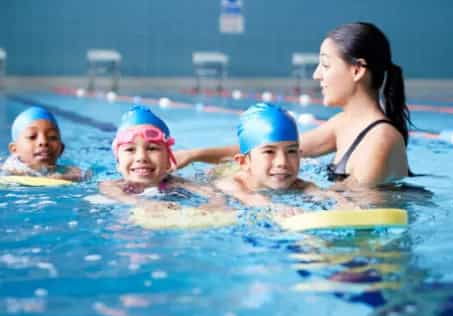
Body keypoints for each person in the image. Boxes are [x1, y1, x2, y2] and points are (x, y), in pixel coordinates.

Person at [174, 22, 411, 188]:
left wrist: (248, 193)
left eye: (325, 65)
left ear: (357, 70)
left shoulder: (380, 140)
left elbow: (348, 203)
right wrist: (194, 156)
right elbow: (267, 147)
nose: (317, 75)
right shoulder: (343, 124)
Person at [213, 102, 353, 210]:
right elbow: (248, 197)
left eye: (291, 151)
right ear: (244, 162)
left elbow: (319, 192)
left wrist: (343, 202)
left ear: (300, 156)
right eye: (269, 151)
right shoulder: (230, 184)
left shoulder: (298, 185)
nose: (282, 162)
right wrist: (273, 207)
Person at [99, 105, 225, 210]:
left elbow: (213, 193)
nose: (141, 157)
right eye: (130, 149)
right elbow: (115, 193)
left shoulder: (176, 183)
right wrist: (143, 204)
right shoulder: (114, 186)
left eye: (152, 148)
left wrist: (215, 204)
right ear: (118, 164)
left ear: (168, 161)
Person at [1, 106, 83, 181]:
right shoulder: (7, 169)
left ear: (61, 149)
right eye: (32, 136)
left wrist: (65, 178)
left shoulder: (68, 172)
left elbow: (82, 175)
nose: (43, 142)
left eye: (52, 137)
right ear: (14, 149)